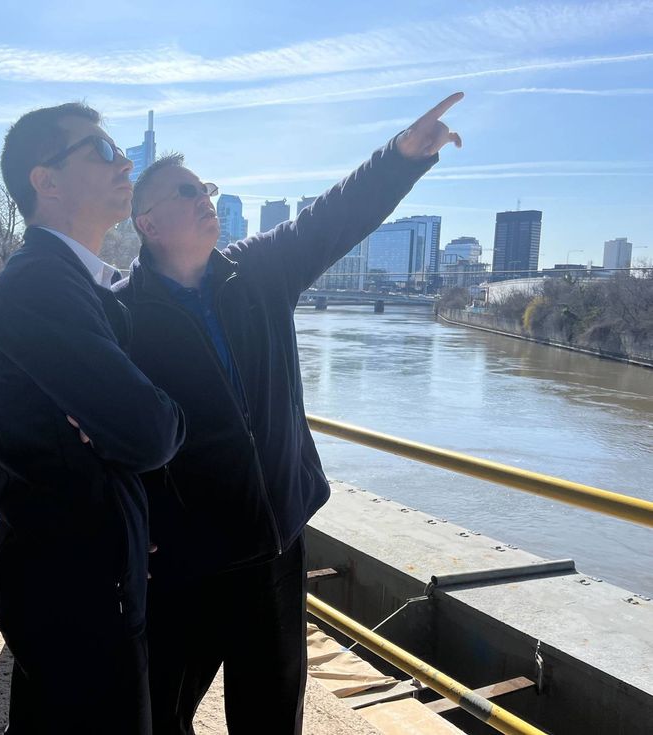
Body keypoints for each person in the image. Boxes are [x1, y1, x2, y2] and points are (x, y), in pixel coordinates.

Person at [115, 93, 465, 734]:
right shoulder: (120, 314)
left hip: (273, 544)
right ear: (148, 224)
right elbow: (107, 435)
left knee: (272, 716)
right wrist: (135, 528)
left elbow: (331, 219)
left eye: (207, 188)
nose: (205, 200)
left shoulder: (258, 271)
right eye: (186, 193)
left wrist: (400, 157)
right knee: (161, 712)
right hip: (186, 555)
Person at [0, 102, 186, 734]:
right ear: (47, 180)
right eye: (101, 148)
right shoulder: (41, 285)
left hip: (77, 574)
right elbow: (150, 431)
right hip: (72, 591)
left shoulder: (79, 281)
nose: (123, 161)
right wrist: (151, 415)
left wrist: (125, 424)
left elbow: (131, 424)